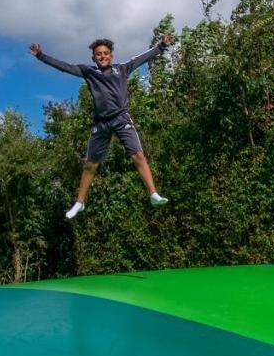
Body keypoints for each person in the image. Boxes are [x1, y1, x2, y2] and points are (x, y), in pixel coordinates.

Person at [29, 33, 174, 219]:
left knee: (138, 154)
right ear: (93, 57)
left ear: (111, 55)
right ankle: (79, 203)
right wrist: (42, 56)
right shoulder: (89, 72)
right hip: (101, 123)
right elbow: (65, 67)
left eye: (106, 53)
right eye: (98, 54)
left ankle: (153, 194)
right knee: (90, 165)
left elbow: (143, 57)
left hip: (121, 119)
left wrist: (161, 46)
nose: (102, 56)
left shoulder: (121, 69)